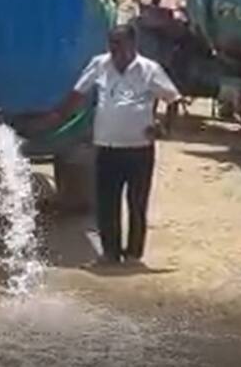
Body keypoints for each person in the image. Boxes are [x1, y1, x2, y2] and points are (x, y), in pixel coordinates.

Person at [44, 24, 180, 266]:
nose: (115, 51)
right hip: (106, 147)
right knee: (107, 203)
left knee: (137, 204)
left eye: (120, 45)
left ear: (132, 45)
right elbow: (78, 95)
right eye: (112, 46)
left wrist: (164, 128)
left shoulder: (149, 70)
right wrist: (55, 117)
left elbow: (172, 98)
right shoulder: (100, 64)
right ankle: (110, 252)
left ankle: (133, 254)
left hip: (139, 149)